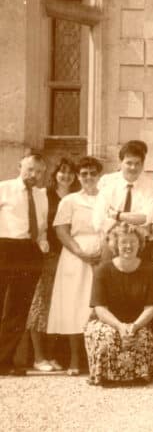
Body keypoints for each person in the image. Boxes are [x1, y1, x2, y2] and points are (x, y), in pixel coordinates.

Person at [46, 156, 104, 375]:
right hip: (75, 256)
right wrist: (80, 252)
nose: (88, 177)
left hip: (101, 256)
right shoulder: (69, 200)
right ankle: (74, 359)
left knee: (97, 305)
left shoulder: (106, 199)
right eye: (84, 174)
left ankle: (96, 358)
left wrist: (103, 252)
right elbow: (61, 230)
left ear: (99, 175)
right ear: (79, 177)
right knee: (74, 306)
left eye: (93, 173)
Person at [84, 223, 153, 386]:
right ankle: (104, 376)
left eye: (133, 241)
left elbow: (151, 307)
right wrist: (119, 326)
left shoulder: (150, 269)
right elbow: (100, 308)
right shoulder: (103, 269)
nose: (128, 246)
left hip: (136, 322)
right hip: (106, 321)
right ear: (116, 245)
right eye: (124, 241)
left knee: (142, 336)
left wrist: (134, 326)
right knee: (109, 336)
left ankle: (138, 376)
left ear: (140, 244)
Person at [27, 157, 78, 372]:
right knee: (42, 303)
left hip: (71, 258)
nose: (66, 176)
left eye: (70, 173)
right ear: (55, 174)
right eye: (62, 172)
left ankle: (52, 354)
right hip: (49, 256)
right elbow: (39, 224)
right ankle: (39, 357)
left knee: (62, 306)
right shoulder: (45, 195)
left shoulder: (77, 197)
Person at [0, 154, 49, 376]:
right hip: (5, 248)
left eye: (39, 172)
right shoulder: (4, 188)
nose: (34, 175)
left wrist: (42, 241)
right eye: (30, 169)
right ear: (19, 167)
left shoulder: (41, 195)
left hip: (29, 252)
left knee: (19, 309)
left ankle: (5, 361)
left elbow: (41, 226)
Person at [92, 141, 153, 254]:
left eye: (137, 163)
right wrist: (129, 223)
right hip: (111, 243)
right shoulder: (108, 184)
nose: (133, 167)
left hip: (139, 245)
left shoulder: (149, 186)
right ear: (121, 163)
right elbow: (98, 220)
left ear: (142, 165)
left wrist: (117, 215)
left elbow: (147, 218)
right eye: (129, 163)